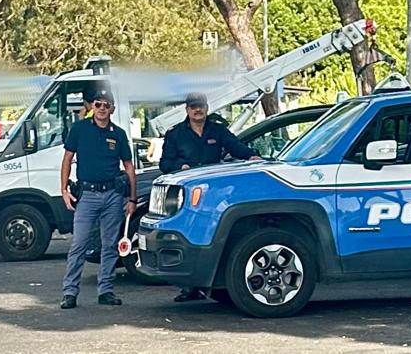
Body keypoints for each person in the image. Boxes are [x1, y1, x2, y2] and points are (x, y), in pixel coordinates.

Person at [160, 91, 261, 302]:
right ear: (187, 110)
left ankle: (210, 285)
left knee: (209, 237)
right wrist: (181, 166)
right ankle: (188, 288)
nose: (198, 110)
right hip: (187, 195)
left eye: (201, 106)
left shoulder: (217, 130)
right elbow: (164, 164)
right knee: (188, 235)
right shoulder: (175, 134)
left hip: (212, 194)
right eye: (194, 107)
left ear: (207, 108)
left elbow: (236, 147)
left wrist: (252, 155)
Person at [59, 88, 137, 310]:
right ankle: (69, 292)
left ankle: (106, 290)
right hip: (88, 195)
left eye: (106, 105)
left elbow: (129, 167)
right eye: (98, 104)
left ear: (112, 108)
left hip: (112, 194)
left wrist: (132, 199)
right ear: (91, 106)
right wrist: (64, 189)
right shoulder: (80, 129)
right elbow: (67, 158)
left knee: (110, 245)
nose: (102, 108)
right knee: (79, 244)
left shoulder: (119, 134)